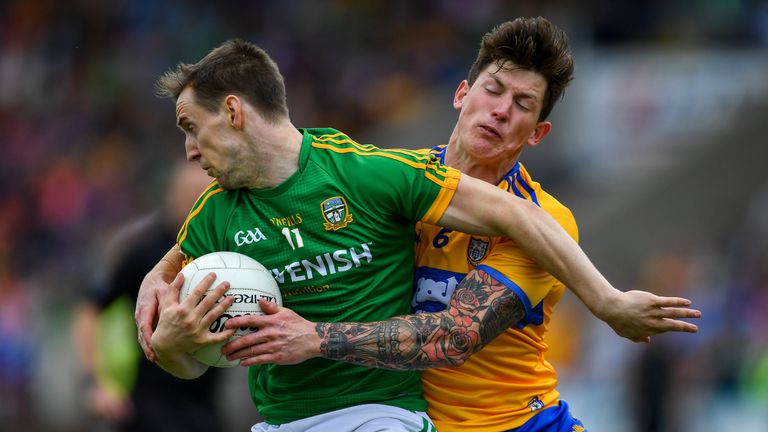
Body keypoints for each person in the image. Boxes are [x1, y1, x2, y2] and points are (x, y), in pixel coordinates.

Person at [136, 37, 697, 431]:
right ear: (461, 94)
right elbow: (200, 240)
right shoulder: (398, 180)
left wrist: (606, 300)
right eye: (494, 90)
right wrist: (155, 280)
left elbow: (454, 337)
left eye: (522, 104)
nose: (501, 111)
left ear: (539, 132)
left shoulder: (542, 220)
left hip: (511, 426)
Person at [72, 161, 228, 432]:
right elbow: (88, 313)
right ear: (170, 194)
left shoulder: (226, 250)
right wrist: (96, 384)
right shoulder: (142, 251)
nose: (196, 201)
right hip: (148, 406)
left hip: (205, 405)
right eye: (188, 192)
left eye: (204, 192)